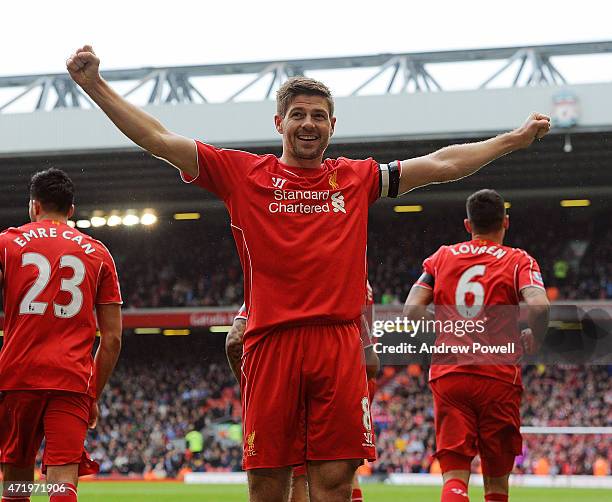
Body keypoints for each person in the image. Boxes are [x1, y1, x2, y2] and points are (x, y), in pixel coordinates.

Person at [66, 45, 550, 502]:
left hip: (337, 343)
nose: (308, 123)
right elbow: (159, 139)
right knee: (268, 485)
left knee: (336, 481)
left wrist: (513, 139)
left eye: (319, 115)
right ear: (279, 121)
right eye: (298, 114)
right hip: (271, 342)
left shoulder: (357, 177)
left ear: (333, 125)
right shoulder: (242, 174)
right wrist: (95, 85)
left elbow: (441, 164)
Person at [403, 189, 550, 502]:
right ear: (505, 223)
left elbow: (411, 310)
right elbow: (539, 306)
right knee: (496, 484)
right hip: (497, 375)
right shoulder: (518, 260)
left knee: (454, 475)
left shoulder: (442, 257)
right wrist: (534, 338)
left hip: (449, 373)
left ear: (468, 225)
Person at [0, 168, 123, 502]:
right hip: (71, 380)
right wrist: (92, 393)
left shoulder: (7, 244)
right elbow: (112, 339)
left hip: (17, 377)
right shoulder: (98, 254)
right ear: (71, 210)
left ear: (34, 206)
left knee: (15, 482)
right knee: (61, 483)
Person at [226, 281, 380, 502]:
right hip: (343, 374)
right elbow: (371, 362)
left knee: (294, 481)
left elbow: (235, 340)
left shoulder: (275, 280)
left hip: (282, 376)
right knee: (337, 480)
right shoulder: (355, 282)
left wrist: (257, 395)